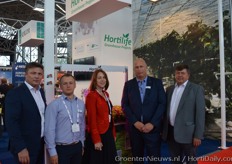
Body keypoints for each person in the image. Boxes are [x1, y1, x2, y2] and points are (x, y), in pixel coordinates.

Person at [121, 58, 166, 163]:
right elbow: (124, 105)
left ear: (146, 68)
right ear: (134, 69)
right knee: (137, 159)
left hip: (153, 130)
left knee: (154, 159)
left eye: (141, 66)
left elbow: (162, 104)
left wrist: (152, 123)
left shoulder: (157, 83)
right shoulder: (128, 85)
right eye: (137, 67)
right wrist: (135, 122)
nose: (139, 69)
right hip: (135, 130)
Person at [162, 64, 205, 164]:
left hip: (188, 135)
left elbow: (200, 114)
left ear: (188, 75)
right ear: (175, 74)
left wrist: (198, 135)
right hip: (171, 133)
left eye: (183, 73)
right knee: (175, 160)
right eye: (178, 73)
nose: (180, 75)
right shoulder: (169, 89)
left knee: (191, 161)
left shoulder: (196, 89)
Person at [5, 62, 46, 164]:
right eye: (33, 73)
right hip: (25, 146)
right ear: (26, 74)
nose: (36, 76)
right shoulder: (15, 94)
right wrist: (21, 148)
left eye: (39, 74)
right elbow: (11, 123)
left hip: (40, 143)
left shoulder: (41, 92)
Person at [44, 74, 85, 164]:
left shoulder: (81, 103)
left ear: (75, 85)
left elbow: (82, 125)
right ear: (60, 86)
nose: (68, 85)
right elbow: (49, 130)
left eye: (71, 83)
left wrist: (82, 144)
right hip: (61, 149)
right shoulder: (54, 105)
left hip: (77, 147)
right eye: (65, 83)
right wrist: (52, 151)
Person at [84, 69, 118, 164]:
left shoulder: (106, 94)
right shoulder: (91, 96)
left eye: (104, 77)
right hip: (99, 135)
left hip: (108, 133)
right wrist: (96, 140)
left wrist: (113, 133)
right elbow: (92, 119)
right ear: (95, 80)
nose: (102, 80)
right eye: (99, 78)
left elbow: (110, 116)